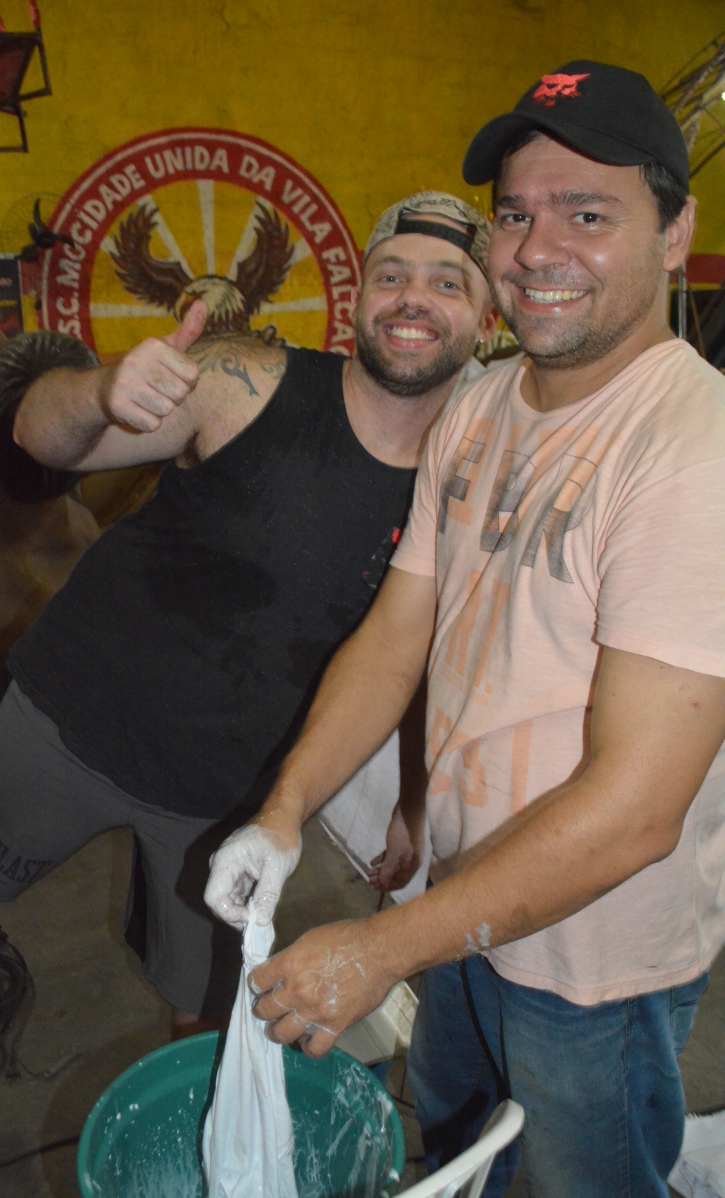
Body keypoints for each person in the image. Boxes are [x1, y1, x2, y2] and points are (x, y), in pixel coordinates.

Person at [205, 62, 725, 1197]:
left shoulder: (689, 452)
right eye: (517, 215)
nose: (538, 250)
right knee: (455, 1159)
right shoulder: (482, 404)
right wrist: (284, 812)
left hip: (592, 966)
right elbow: (398, 634)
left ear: (676, 231)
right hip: (461, 912)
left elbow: (639, 810)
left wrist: (378, 948)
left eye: (588, 215)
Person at [0, 192, 496, 1038]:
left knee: (204, 1008)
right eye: (392, 275)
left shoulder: (463, 489)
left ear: (487, 322)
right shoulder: (244, 382)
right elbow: (36, 443)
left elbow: (408, 649)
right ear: (358, 297)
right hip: (68, 715)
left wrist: (412, 795)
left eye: (448, 283)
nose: (414, 298)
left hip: (235, 795)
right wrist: (97, 391)